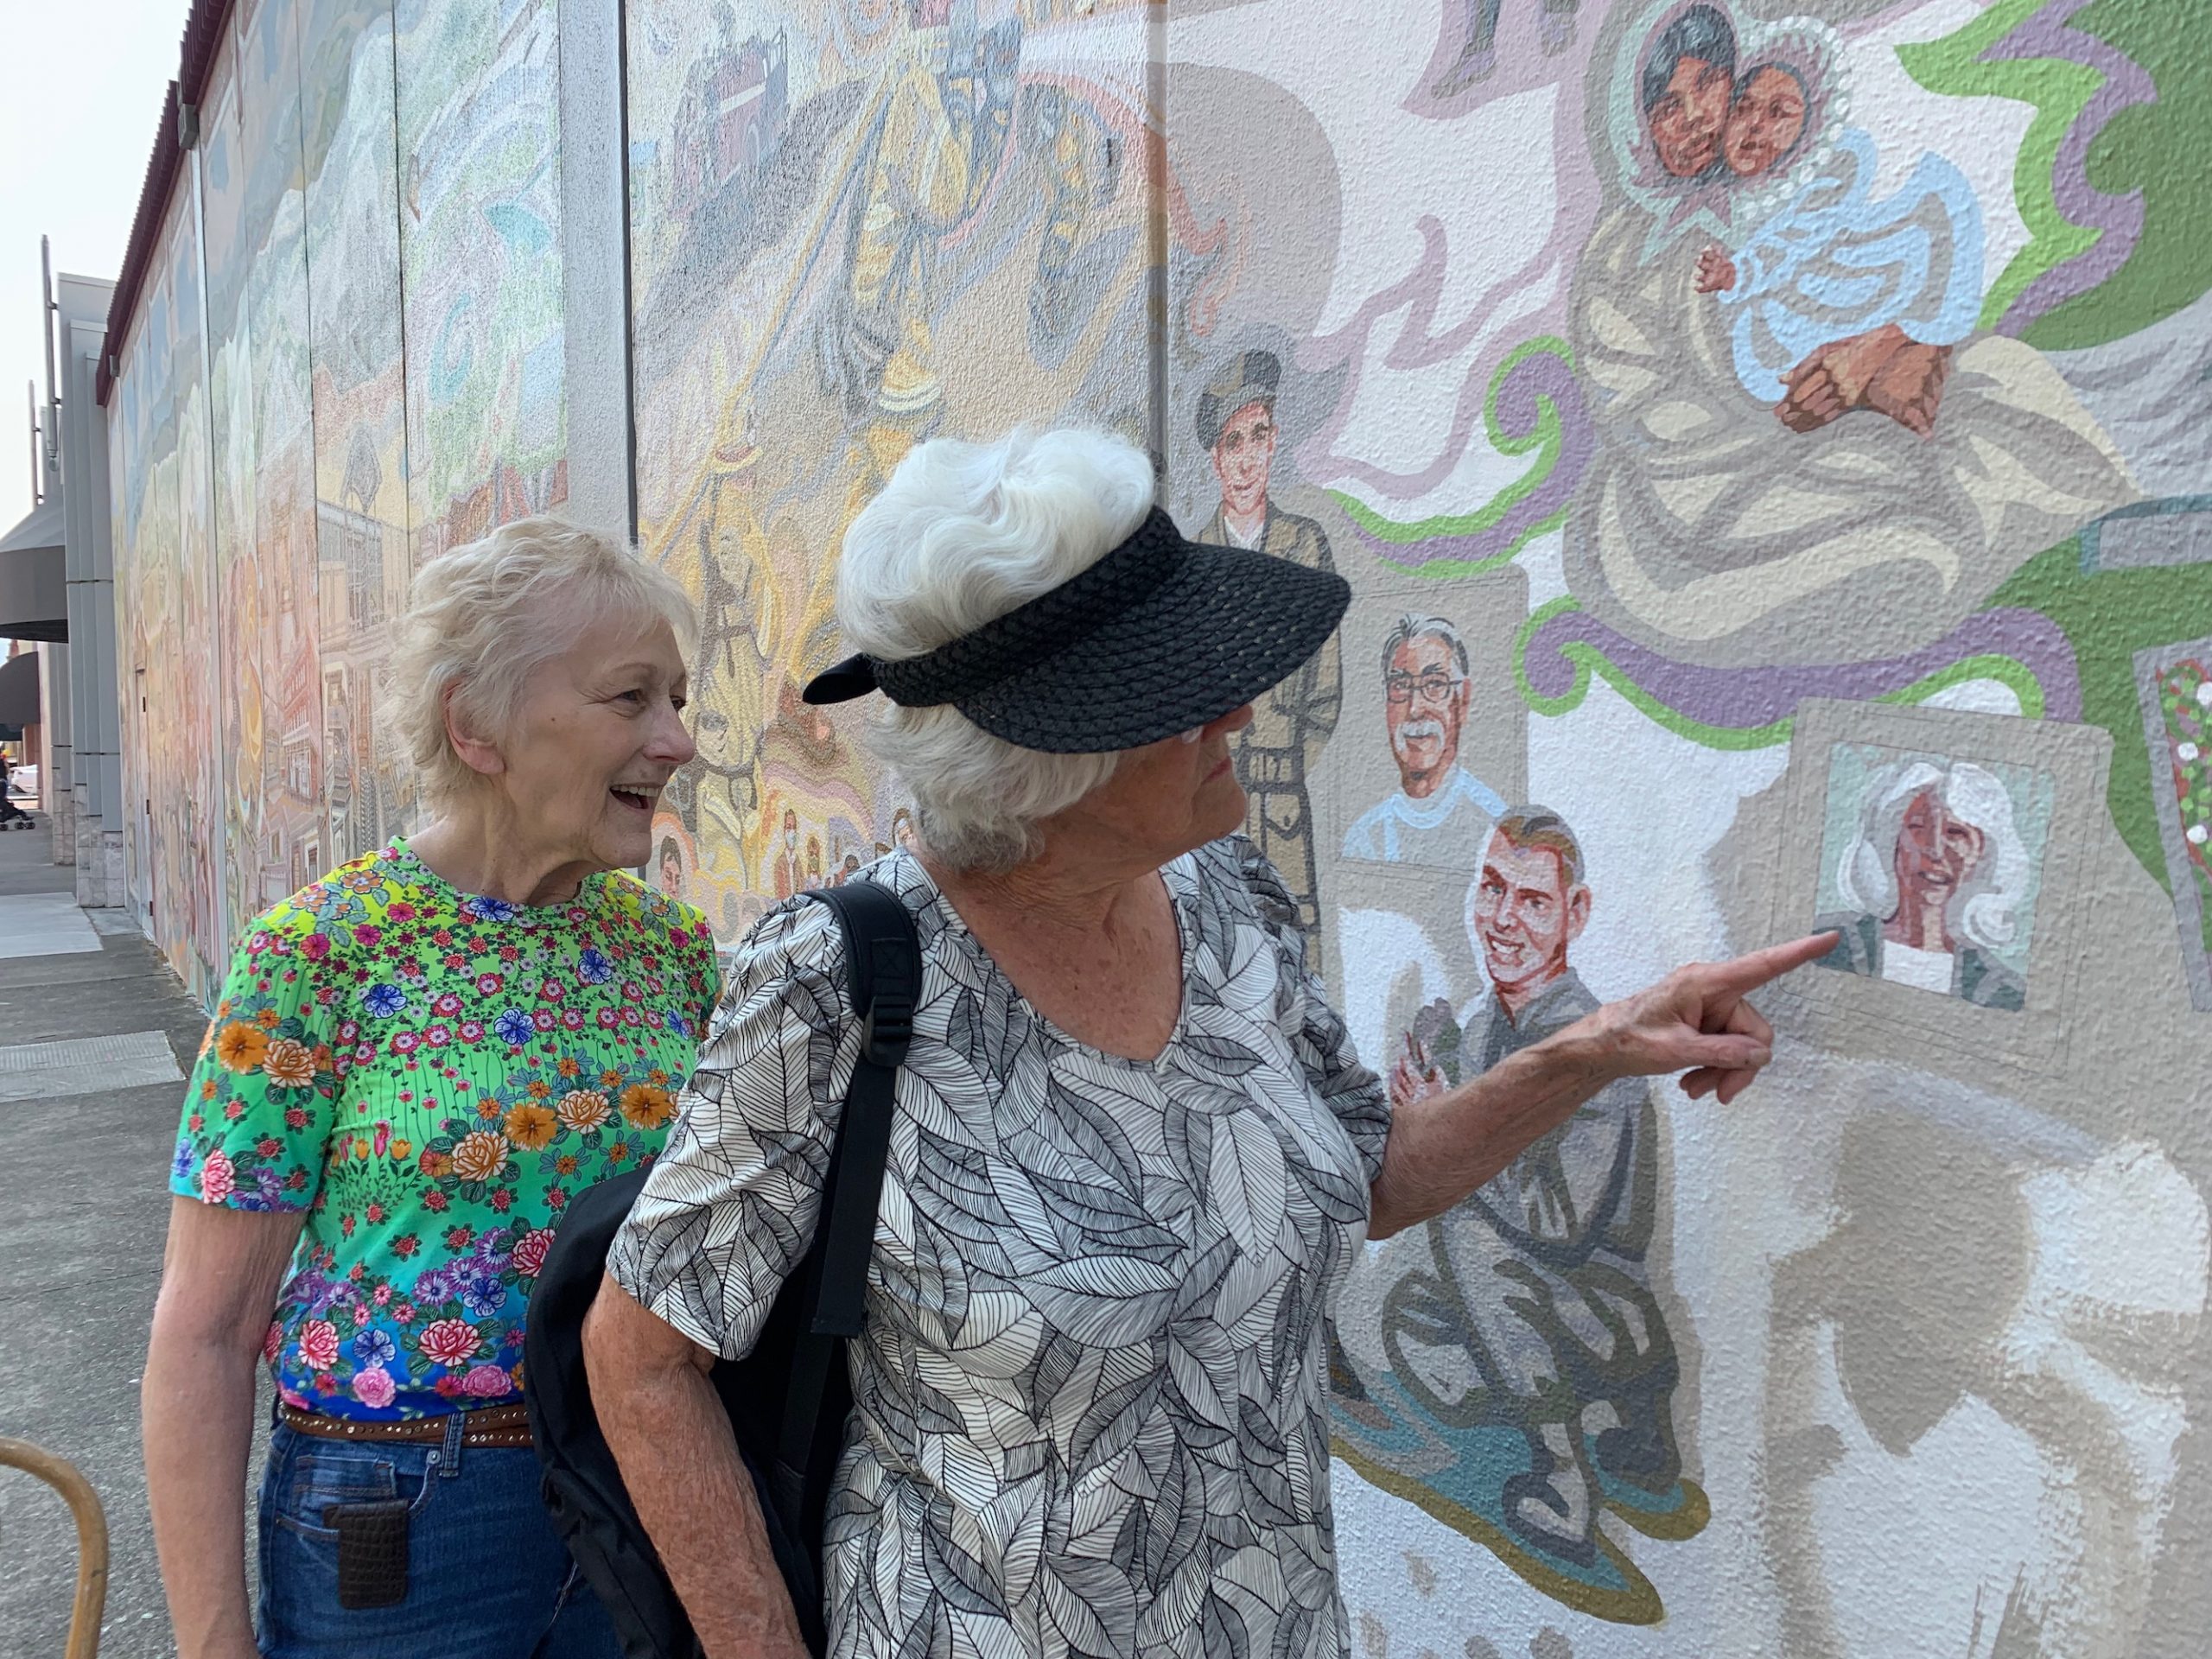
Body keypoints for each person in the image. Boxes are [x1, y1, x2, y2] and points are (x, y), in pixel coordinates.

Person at [579, 427, 1833, 1659]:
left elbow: (1367, 1175)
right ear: (1041, 758)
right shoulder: (838, 978)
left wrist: (1593, 1046)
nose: (1237, 707)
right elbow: (640, 1359)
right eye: (1178, 694)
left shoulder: (1227, 899)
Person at [141, 518, 722, 1658]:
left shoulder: (676, 956)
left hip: (647, 1484)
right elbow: (205, 1333)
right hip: (404, 1519)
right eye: (631, 698)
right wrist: (212, 1643)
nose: (679, 741)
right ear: (477, 726)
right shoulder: (318, 957)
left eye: (680, 697)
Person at [1368, 810, 1684, 1569]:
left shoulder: (1591, 1047)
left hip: (1602, 1304)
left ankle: (1566, 1486)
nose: (1503, 922)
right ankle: (1640, 1434)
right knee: (1413, 1323)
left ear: (1574, 914)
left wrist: (1450, 1129)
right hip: (1546, 1300)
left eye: (1533, 902)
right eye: (1491, 890)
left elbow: (1560, 1222)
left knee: (1466, 1234)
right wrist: (1429, 1104)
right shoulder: (1489, 1023)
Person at [1192, 349, 1342, 931]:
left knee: (1292, 943)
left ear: (1275, 441)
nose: (1248, 457)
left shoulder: (1306, 548)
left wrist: (1287, 763)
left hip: (1283, 803)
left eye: (1258, 435)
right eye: (1234, 442)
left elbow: (1324, 687)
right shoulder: (1195, 559)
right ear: (1215, 458)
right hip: (1208, 810)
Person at [1815, 757, 2031, 1009]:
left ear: (1983, 855)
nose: (1935, 851)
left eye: (1955, 833)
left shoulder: (2002, 992)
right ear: (1890, 841)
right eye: (1917, 827)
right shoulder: (1825, 945)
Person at [1343, 613, 1507, 866]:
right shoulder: (1366, 837)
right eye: (1400, 686)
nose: (1415, 708)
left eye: (1434, 684)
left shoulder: (1494, 830)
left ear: (1462, 701)